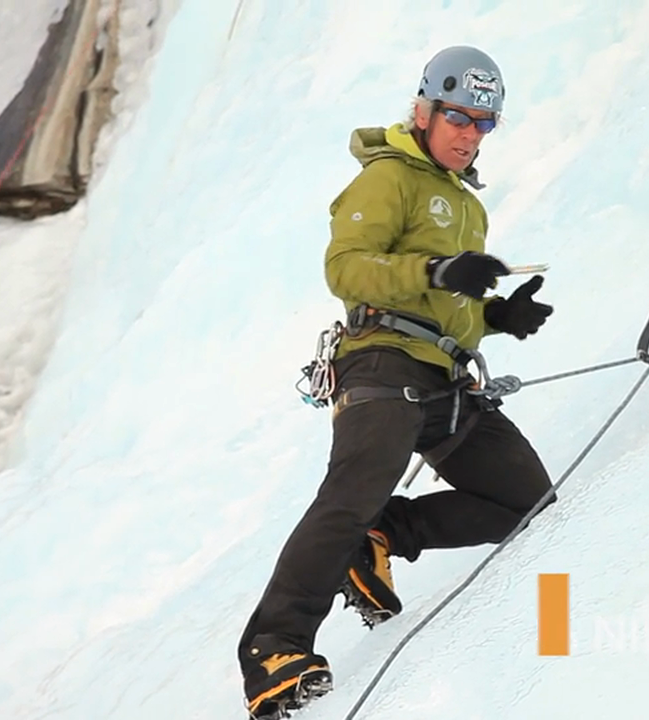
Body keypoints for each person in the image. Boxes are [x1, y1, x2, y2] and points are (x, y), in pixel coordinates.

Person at [237, 45, 556, 719]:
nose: (469, 133)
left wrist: (494, 316)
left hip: (444, 378)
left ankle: (386, 536)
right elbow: (347, 269)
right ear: (425, 109)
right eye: (459, 117)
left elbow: (441, 303)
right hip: (382, 363)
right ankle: (274, 647)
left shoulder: (462, 203)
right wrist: (437, 275)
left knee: (527, 499)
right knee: (350, 494)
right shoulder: (390, 177)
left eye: (484, 123)